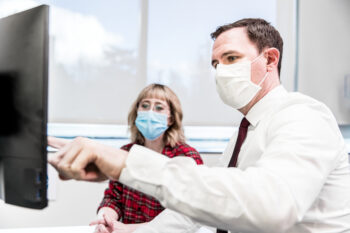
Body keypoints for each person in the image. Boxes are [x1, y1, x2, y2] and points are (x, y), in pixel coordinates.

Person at [48, 18, 350, 233]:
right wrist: (132, 230)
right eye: (215, 64)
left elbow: (271, 205)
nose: (220, 72)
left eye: (231, 58)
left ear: (270, 59)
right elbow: (195, 214)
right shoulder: (243, 135)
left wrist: (125, 163)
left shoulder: (304, 116)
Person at [86, 83, 203, 233]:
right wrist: (106, 218)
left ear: (171, 119)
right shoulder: (126, 152)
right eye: (145, 106)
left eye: (159, 108)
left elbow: (183, 218)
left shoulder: (187, 157)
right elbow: (113, 198)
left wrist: (128, 229)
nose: (150, 113)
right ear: (137, 113)